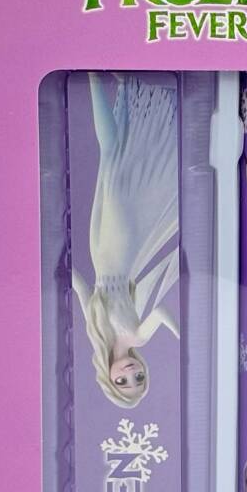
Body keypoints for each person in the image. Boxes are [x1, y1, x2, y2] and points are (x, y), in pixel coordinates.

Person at [71, 73, 180, 407]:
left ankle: (114, 85)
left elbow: (80, 288)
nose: (131, 373)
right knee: (115, 169)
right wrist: (182, 337)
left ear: (107, 377)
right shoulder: (137, 337)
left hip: (99, 254)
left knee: (109, 159)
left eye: (123, 381)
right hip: (121, 251)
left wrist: (50, 270)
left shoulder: (97, 332)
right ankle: (109, 82)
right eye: (139, 378)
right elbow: (159, 312)